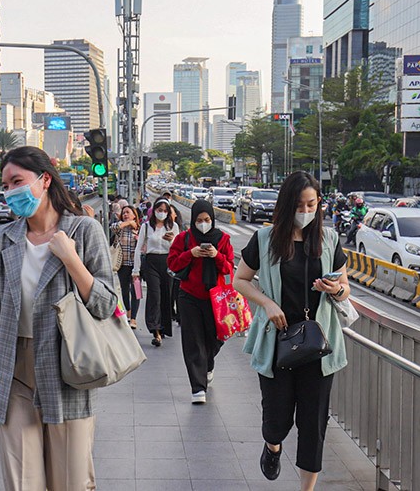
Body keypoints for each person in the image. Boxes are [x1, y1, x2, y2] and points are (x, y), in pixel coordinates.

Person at [0, 146, 117, 491]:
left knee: (69, 482)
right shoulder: (2, 240)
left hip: (67, 369)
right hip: (14, 371)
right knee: (23, 482)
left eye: (17, 181)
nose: (10, 192)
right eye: (5, 185)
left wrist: (71, 260)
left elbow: (107, 304)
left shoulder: (83, 231)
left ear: (45, 180)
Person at [233, 171, 350, 491]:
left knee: (314, 424)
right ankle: (272, 446)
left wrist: (335, 289)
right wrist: (267, 305)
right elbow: (239, 280)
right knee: (277, 419)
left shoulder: (329, 239)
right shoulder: (265, 239)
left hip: (318, 345)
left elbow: (345, 289)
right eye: (299, 205)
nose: (306, 211)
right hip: (278, 343)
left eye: (312, 204)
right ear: (287, 205)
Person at [167, 199, 234, 404]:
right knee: (193, 341)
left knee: (216, 337)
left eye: (206, 219)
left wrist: (216, 256)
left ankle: (208, 364)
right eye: (199, 220)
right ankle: (198, 388)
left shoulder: (223, 239)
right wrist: (191, 254)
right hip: (189, 296)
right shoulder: (184, 239)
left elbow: (230, 268)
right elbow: (172, 265)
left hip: (216, 298)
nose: (203, 223)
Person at [133, 197, 179, 346]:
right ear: (154, 211)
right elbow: (139, 248)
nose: (162, 213)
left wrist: (171, 241)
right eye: (160, 210)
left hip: (167, 263)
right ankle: (155, 329)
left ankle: (163, 327)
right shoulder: (146, 227)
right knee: (154, 295)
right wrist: (136, 269)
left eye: (165, 211)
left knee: (167, 295)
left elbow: (178, 250)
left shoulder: (174, 227)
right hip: (151, 263)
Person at [111, 205, 141, 329]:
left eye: (128, 212)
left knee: (137, 292)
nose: (125, 214)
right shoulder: (120, 228)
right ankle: (128, 311)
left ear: (135, 215)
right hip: (122, 264)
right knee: (124, 290)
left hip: (136, 266)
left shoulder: (140, 229)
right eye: (124, 213)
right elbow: (113, 227)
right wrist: (128, 223)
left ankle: (133, 318)